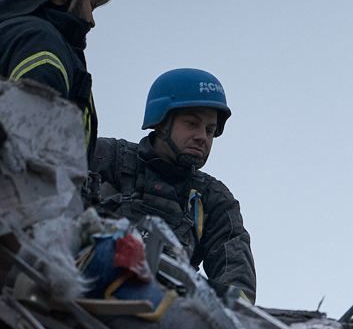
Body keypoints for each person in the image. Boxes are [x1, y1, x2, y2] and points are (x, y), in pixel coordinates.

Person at [91, 68, 256, 302]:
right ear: (161, 122)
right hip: (83, 295)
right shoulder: (106, 157)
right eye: (192, 124)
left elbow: (238, 285)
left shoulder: (213, 199)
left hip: (165, 318)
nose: (203, 137)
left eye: (210, 130)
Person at [0, 0, 106, 161]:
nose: (92, 22)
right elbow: (34, 154)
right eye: (91, 5)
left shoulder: (14, 34)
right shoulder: (40, 42)